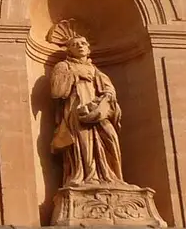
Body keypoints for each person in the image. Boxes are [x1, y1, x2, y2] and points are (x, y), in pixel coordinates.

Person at [47, 20, 126, 187]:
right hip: (76, 111)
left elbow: (109, 89)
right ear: (69, 49)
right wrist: (75, 75)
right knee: (83, 144)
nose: (80, 46)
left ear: (88, 48)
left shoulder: (95, 70)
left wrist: (106, 98)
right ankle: (85, 177)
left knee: (110, 137)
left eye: (83, 43)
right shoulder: (63, 66)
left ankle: (110, 177)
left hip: (98, 111)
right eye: (75, 44)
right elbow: (57, 91)